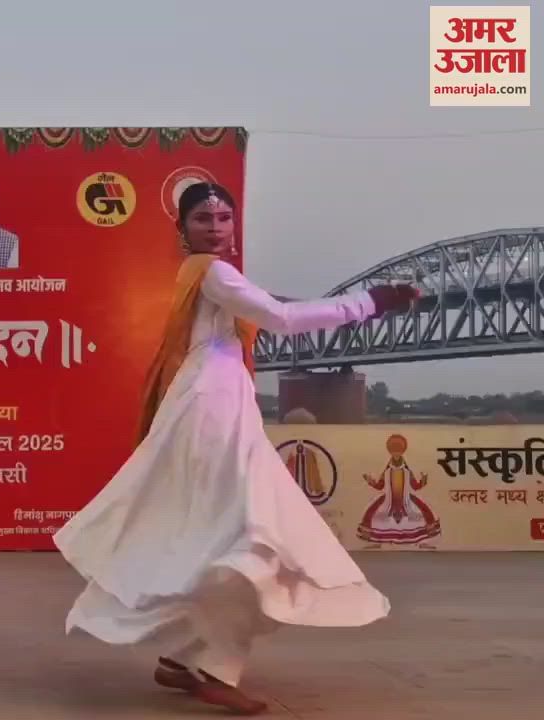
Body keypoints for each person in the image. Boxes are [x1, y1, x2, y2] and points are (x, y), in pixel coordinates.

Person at [53, 182, 416, 715]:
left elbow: (270, 313)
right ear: (183, 229)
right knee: (252, 540)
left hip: (217, 404)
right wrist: (370, 302)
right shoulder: (214, 273)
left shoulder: (209, 275)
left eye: (224, 217)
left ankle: (183, 658)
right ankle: (213, 667)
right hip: (211, 412)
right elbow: (282, 319)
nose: (217, 227)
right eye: (203, 218)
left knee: (222, 538)